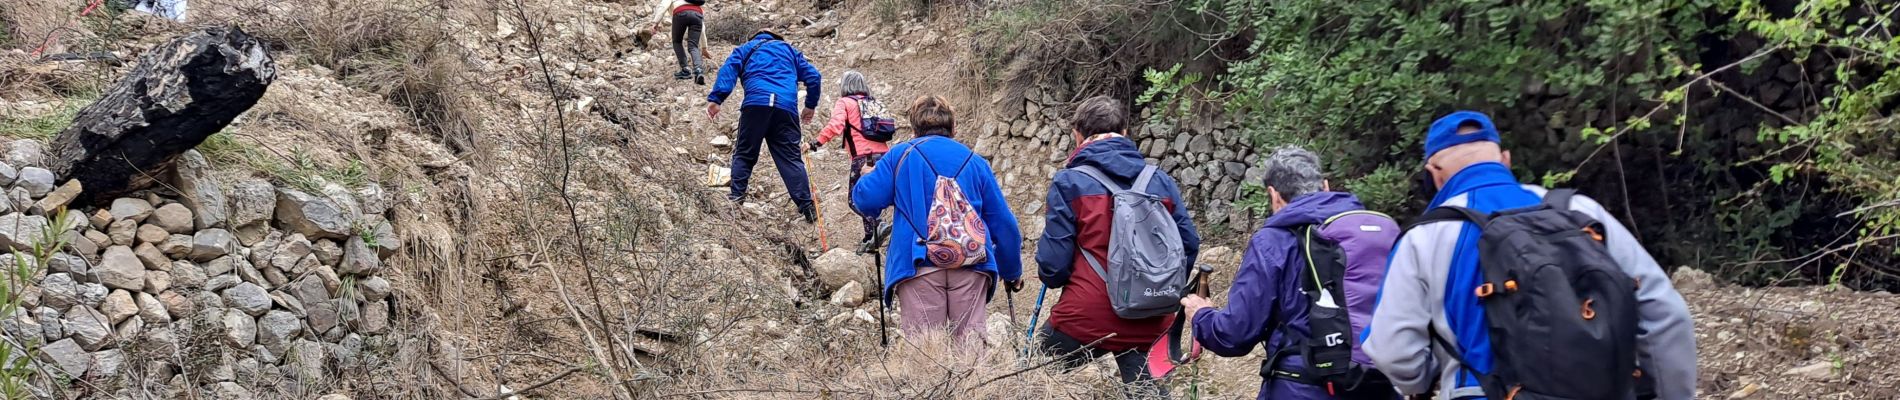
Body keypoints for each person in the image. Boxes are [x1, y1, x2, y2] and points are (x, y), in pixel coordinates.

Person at [1361, 111, 1696, 400]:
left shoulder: (1423, 238)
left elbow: (1394, 351)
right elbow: (1664, 313)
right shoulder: (1578, 210)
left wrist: (1423, 378)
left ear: (1433, 173)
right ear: (1505, 159)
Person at [1179, 146, 1400, 400]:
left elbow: (1234, 335)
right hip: (1381, 383)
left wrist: (1201, 315)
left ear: (1274, 196)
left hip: (1302, 388)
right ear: (1326, 187)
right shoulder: (1376, 231)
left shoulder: (1273, 242)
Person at [1034, 96, 1200, 397]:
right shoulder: (1160, 182)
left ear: (1077, 134)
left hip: (1087, 317)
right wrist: (1157, 288)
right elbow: (1189, 243)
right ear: (1126, 132)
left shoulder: (1070, 182)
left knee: (1033, 372)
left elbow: (1053, 268)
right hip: (1150, 313)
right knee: (1146, 390)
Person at [850, 95, 1023, 347]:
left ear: (914, 129)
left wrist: (868, 176)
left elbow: (866, 201)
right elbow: (1005, 226)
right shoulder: (975, 162)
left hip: (917, 265)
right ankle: (975, 387)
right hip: (971, 265)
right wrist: (1011, 271)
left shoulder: (899, 155)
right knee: (970, 352)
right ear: (953, 129)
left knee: (926, 354)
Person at [707, 30, 823, 222]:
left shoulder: (746, 48)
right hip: (786, 107)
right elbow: (814, 77)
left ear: (755, 38)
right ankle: (807, 207)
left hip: (756, 104)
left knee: (745, 153)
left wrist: (717, 98)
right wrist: (810, 106)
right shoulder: (789, 51)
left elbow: (729, 69)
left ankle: (736, 200)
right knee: (791, 159)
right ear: (776, 39)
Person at [807, 71, 892, 252]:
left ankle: (878, 224)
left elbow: (836, 125)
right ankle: (870, 238)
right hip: (886, 157)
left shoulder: (845, 103)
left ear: (845, 86)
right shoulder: (872, 102)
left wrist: (816, 143)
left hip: (864, 157)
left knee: (855, 199)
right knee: (875, 196)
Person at [650, 0, 713, 84]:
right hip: (697, 14)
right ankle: (698, 70)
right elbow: (702, 29)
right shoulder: (695, 2)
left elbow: (663, 7)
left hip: (680, 13)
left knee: (677, 42)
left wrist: (655, 22)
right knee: (693, 46)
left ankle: (685, 69)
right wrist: (704, 48)